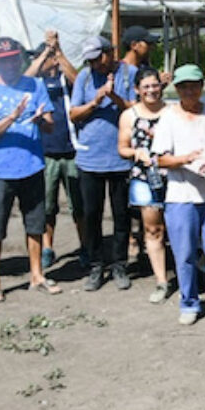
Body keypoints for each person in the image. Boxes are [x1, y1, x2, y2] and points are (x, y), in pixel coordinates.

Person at [0, 37, 61, 302]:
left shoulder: (35, 85)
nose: (9, 64)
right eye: (3, 60)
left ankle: (37, 275)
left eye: (13, 58)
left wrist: (40, 121)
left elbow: (49, 124)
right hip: (0, 170)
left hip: (32, 166)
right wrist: (11, 117)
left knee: (35, 224)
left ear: (20, 59)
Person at [152, 64, 205, 325]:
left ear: (202, 88)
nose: (190, 91)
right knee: (184, 253)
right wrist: (184, 159)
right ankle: (189, 303)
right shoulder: (169, 117)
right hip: (180, 195)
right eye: (184, 87)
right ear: (177, 88)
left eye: (194, 86)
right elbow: (160, 159)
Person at [70, 35, 135, 291]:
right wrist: (96, 101)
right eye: (91, 60)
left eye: (99, 58)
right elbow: (74, 114)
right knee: (91, 214)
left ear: (110, 52)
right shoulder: (85, 78)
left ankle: (120, 264)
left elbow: (136, 110)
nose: (95, 64)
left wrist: (115, 97)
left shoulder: (130, 74)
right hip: (90, 158)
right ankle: (96, 265)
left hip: (120, 157)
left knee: (121, 215)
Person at [25, 29, 82, 271]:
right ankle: (48, 247)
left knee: (79, 204)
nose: (36, 60)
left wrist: (59, 53)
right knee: (47, 207)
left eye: (41, 56)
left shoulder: (65, 81)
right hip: (45, 153)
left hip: (71, 151)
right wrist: (45, 54)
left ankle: (86, 246)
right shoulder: (35, 84)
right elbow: (26, 78)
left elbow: (78, 80)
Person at [118, 67, 170, 304]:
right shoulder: (130, 115)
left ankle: (185, 274)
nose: (151, 91)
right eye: (146, 86)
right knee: (152, 229)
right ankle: (161, 280)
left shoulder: (172, 112)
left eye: (155, 85)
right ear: (137, 90)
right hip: (144, 177)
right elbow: (122, 148)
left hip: (174, 176)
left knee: (179, 228)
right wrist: (136, 153)